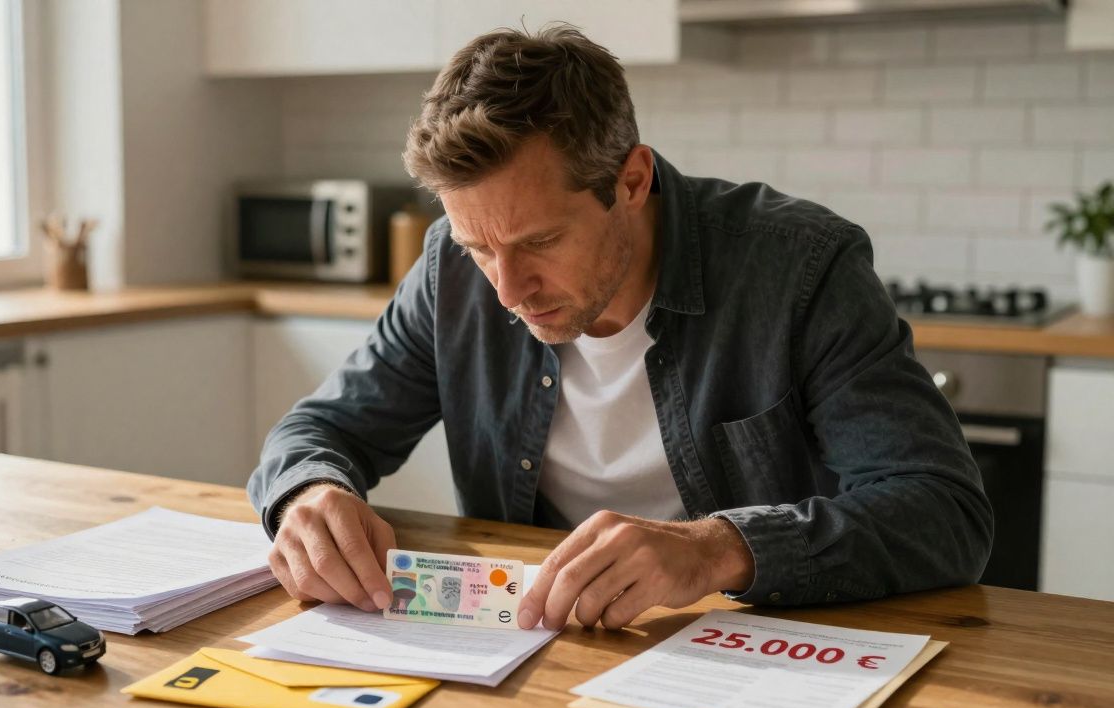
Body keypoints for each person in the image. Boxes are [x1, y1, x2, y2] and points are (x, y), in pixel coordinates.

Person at [247, 25, 992, 632]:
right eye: (480, 248)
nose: (506, 289)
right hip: (547, 648)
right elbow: (321, 430)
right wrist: (308, 495)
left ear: (631, 182)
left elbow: (943, 513)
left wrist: (716, 549)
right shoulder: (450, 270)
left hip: (762, 650)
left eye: (539, 242)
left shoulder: (799, 268)